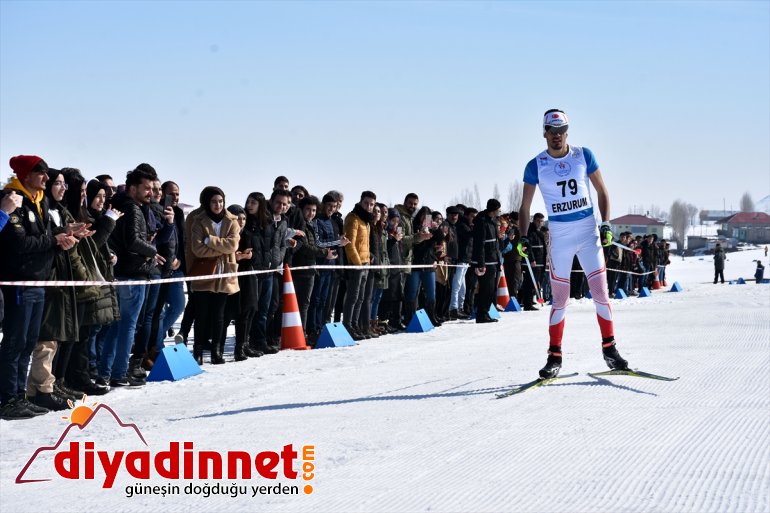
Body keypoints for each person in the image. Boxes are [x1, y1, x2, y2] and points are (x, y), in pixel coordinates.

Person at [518, 109, 628, 379]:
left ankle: (610, 349)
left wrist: (606, 225)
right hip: (560, 234)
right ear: (544, 133)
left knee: (600, 292)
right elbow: (524, 207)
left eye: (562, 131)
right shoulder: (535, 165)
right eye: (552, 132)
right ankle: (554, 356)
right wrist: (522, 236)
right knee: (560, 299)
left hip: (588, 231)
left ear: (568, 131)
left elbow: (602, 191)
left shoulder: (583, 155)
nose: (557, 137)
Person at [1, 156, 78, 419]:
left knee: (29, 342)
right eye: (40, 173)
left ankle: (20, 395)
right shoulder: (12, 200)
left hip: (38, 281)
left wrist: (63, 238)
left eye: (46, 173)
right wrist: (52, 239)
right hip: (19, 283)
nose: (45, 178)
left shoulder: (40, 201)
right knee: (15, 342)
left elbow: (43, 238)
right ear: (25, 175)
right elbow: (19, 244)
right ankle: (8, 398)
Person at [99, 164, 163, 387]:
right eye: (146, 188)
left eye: (152, 189)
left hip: (120, 273)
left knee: (116, 327)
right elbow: (133, 241)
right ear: (133, 187)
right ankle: (118, 373)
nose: (150, 193)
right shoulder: (133, 208)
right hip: (131, 274)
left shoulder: (118, 203)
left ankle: (106, 372)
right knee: (127, 326)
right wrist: (153, 251)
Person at [189, 186, 240, 364]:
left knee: (220, 315)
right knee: (201, 314)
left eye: (220, 201)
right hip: (204, 272)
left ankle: (216, 351)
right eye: (213, 201)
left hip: (225, 273)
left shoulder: (232, 221)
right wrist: (221, 248)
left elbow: (233, 245)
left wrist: (210, 241)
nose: (218, 205)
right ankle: (198, 352)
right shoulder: (198, 221)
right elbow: (197, 249)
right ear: (207, 203)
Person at [343, 191, 376, 340]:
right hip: (356, 265)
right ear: (360, 202)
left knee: (361, 297)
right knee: (353, 296)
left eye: (371, 204)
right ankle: (347, 325)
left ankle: (355, 325)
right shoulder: (353, 218)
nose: (369, 206)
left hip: (366, 264)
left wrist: (368, 259)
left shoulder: (367, 221)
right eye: (366, 203)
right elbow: (349, 244)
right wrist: (357, 264)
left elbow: (365, 245)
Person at [471, 199, 503, 323]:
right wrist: (481, 263)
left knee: (491, 290)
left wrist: (499, 262)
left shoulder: (493, 222)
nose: (499, 211)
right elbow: (480, 244)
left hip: (494, 260)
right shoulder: (482, 222)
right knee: (485, 289)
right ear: (493, 209)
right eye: (498, 209)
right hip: (486, 262)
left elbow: (495, 244)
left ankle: (485, 313)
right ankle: (481, 314)